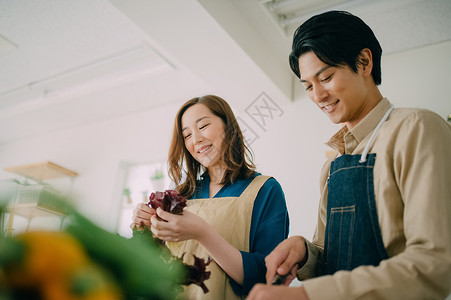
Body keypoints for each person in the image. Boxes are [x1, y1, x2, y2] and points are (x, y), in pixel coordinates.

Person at [248, 10, 451, 300]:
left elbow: (433, 265)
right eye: (307, 86)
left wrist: (307, 296)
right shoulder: (334, 160)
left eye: (326, 77)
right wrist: (305, 251)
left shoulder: (417, 129)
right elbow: (329, 256)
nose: (317, 96)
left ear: (364, 62)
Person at [131, 95, 289, 299]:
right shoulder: (181, 195)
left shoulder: (265, 189)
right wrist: (145, 229)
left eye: (203, 126)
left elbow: (269, 277)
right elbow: (159, 265)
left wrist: (204, 234)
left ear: (228, 126)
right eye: (187, 135)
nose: (195, 140)